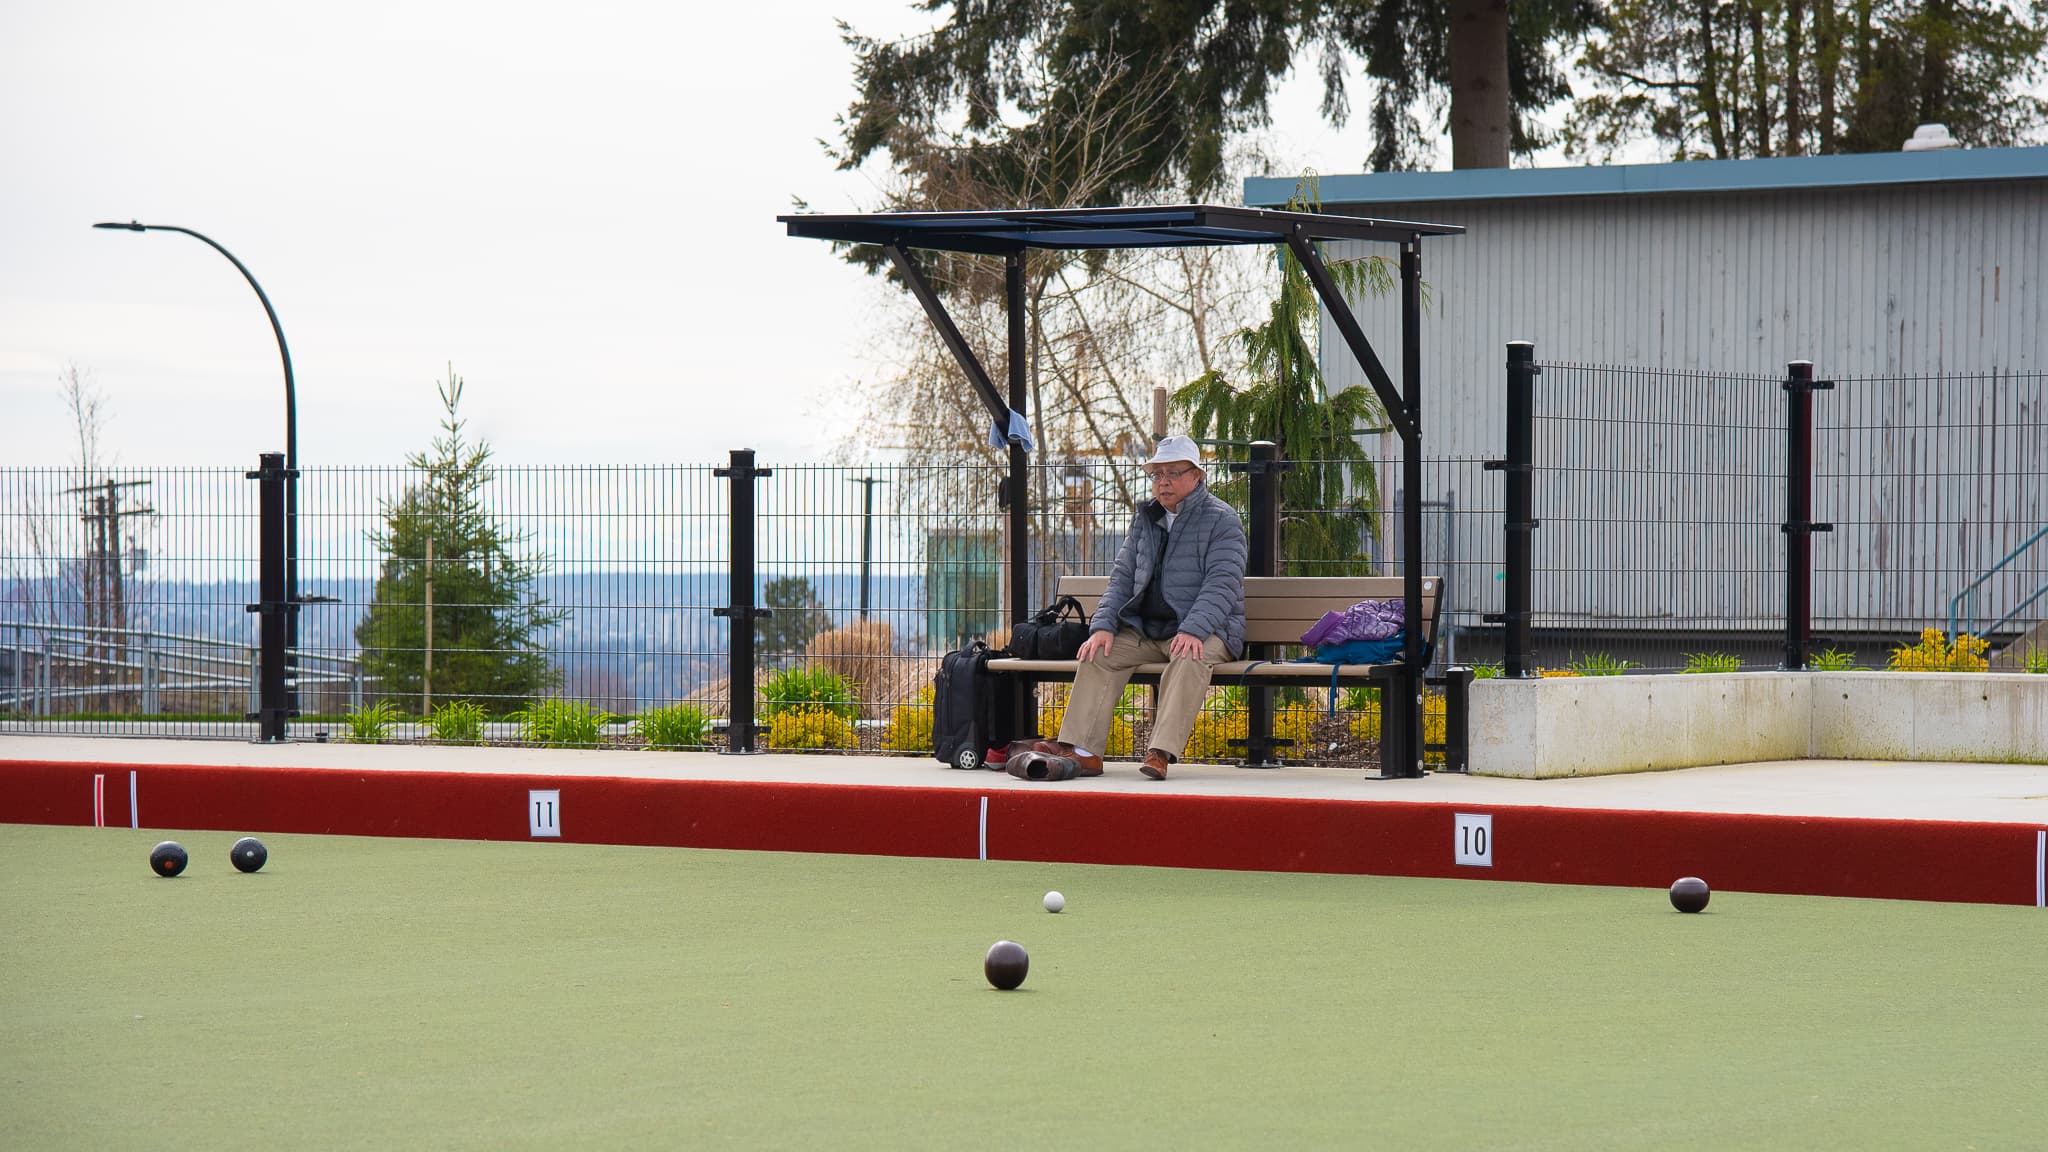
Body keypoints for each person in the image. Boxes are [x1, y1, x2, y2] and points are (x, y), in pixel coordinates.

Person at [1029, 434, 1247, 779]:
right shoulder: (1146, 518)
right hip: (1148, 629)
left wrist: (1194, 629)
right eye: (1158, 474)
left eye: (1174, 473)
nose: (1164, 482)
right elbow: (1122, 577)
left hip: (1208, 630)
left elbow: (1222, 585)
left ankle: (1159, 752)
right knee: (1098, 654)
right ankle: (1083, 752)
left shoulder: (1222, 520)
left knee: (1190, 656)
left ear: (1197, 476)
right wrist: (1102, 626)